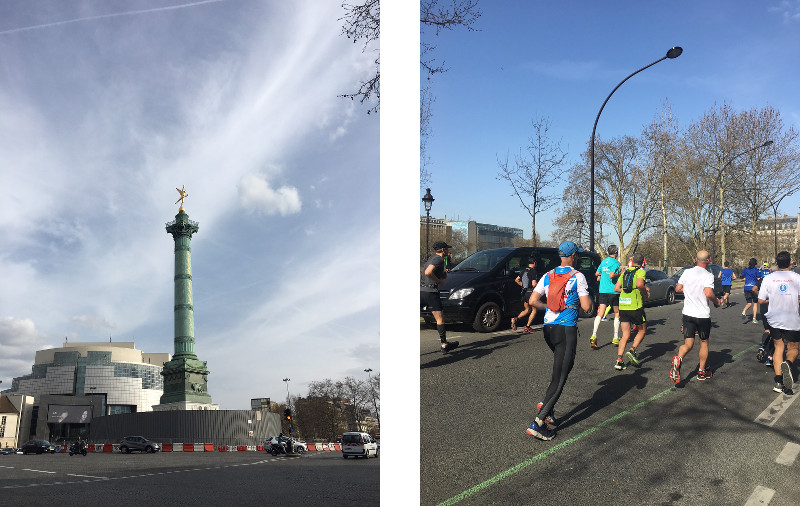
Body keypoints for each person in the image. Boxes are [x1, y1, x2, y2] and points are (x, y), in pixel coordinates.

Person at [526, 241, 592, 440]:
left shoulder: (548, 274)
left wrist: (551, 307)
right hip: (566, 330)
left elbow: (532, 301)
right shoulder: (578, 276)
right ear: (574, 257)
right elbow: (587, 307)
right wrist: (571, 307)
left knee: (561, 368)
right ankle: (538, 422)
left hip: (549, 329)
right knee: (561, 376)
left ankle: (549, 405)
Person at [670, 250, 722, 383]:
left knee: (688, 343)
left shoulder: (686, 272)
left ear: (695, 259)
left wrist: (688, 290)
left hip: (688, 313)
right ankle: (701, 371)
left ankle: (678, 359)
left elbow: (677, 289)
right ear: (708, 261)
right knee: (704, 343)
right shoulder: (708, 275)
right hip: (702, 315)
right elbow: (708, 293)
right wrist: (717, 302)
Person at [757, 251, 800, 395]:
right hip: (792, 318)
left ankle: (778, 382)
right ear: (790, 263)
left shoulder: (769, 278)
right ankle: (787, 364)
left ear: (776, 262)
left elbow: (761, 300)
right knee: (793, 348)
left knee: (778, 348)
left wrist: (774, 298)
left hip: (774, 319)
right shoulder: (797, 278)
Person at [613, 252, 649, 370]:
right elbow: (639, 284)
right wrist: (645, 292)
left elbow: (616, 288)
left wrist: (625, 291)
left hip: (623, 305)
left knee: (625, 334)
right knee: (642, 330)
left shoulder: (625, 272)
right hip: (635, 306)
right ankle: (632, 350)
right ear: (642, 262)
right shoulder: (641, 272)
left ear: (632, 261)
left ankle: (619, 360)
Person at [421, 241, 459, 353]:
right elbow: (428, 273)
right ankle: (444, 344)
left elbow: (441, 275)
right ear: (443, 250)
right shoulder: (438, 259)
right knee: (440, 319)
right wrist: (438, 281)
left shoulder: (432, 259)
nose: (448, 251)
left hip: (421, 291)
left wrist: (445, 269)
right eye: (447, 249)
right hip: (430, 292)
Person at [590, 245, 621, 349]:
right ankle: (616, 337)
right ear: (616, 252)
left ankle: (594, 335)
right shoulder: (616, 263)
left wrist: (601, 275)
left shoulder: (603, 261)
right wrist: (620, 273)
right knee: (617, 313)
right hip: (613, 291)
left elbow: (597, 273)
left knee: (600, 313)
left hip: (602, 290)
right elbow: (612, 275)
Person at [512, 257, 540, 334]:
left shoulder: (524, 270)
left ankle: (515, 319)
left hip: (524, 293)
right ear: (534, 263)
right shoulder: (533, 271)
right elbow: (534, 284)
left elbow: (516, 280)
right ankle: (527, 327)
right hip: (531, 293)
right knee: (534, 310)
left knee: (527, 310)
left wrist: (524, 286)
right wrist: (540, 286)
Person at [741, 258, 761, 324]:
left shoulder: (746, 270)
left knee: (749, 303)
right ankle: (754, 319)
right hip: (753, 288)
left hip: (746, 287)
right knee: (755, 303)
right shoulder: (756, 270)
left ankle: (744, 310)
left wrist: (745, 278)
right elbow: (758, 278)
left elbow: (742, 277)